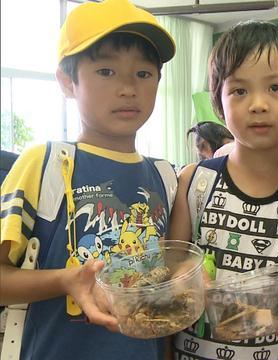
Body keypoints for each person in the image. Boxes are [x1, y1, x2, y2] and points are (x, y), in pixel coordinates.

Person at [0, 0, 176, 359]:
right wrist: (64, 280)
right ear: (67, 81)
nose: (128, 88)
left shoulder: (165, 176)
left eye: (143, 74)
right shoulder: (45, 163)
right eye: (106, 71)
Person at [168, 21, 278, 359]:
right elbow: (172, 260)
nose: (258, 104)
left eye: (275, 88)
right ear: (218, 104)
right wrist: (185, 273)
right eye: (240, 91)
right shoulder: (195, 182)